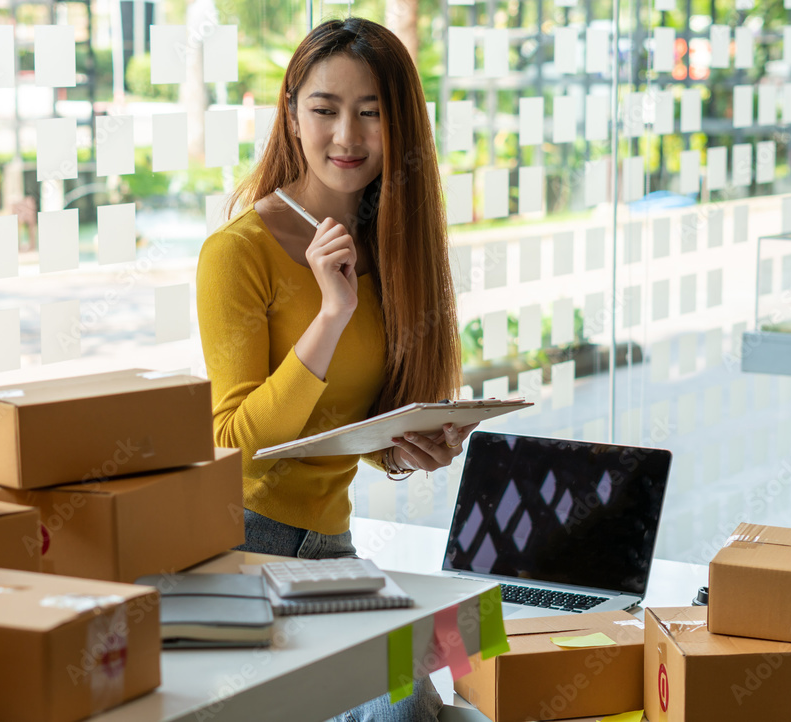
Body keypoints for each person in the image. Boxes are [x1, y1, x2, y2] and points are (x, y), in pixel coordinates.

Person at [196, 17, 477, 721]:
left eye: (371, 114)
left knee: (458, 667)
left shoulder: (395, 246)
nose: (346, 137)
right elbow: (235, 441)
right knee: (405, 708)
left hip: (332, 553)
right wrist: (331, 314)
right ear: (292, 113)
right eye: (324, 110)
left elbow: (343, 420)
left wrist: (408, 447)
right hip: (240, 548)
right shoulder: (238, 252)